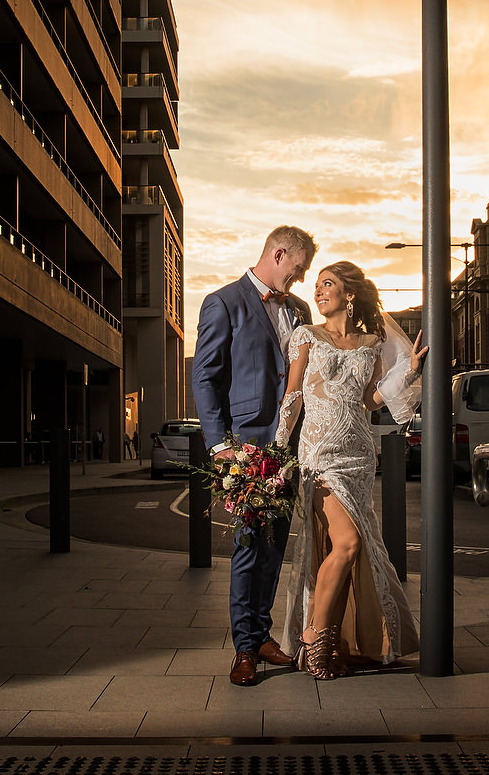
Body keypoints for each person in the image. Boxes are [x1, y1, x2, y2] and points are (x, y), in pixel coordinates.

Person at [274, 260, 426, 678]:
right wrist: (274, 453)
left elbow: (371, 401)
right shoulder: (306, 336)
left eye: (328, 285)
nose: (319, 291)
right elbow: (293, 399)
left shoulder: (371, 343)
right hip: (319, 455)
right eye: (318, 285)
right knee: (347, 544)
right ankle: (314, 638)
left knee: (349, 547)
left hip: (359, 454)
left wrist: (410, 370)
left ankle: (331, 639)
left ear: (349, 293)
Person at [193, 225, 317, 687]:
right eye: (298, 269)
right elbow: (204, 377)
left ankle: (262, 636)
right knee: (249, 545)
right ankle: (245, 648)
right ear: (279, 253)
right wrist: (221, 445)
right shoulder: (223, 302)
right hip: (247, 446)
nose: (300, 280)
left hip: (291, 447)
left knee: (275, 546)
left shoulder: (300, 310)